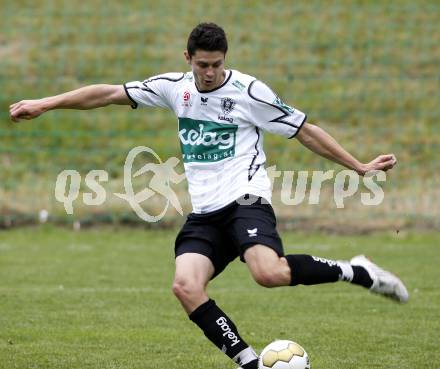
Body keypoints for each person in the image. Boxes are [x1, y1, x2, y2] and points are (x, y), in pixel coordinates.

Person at [9, 22, 408, 369]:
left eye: (217, 64)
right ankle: (249, 362)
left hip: (246, 201)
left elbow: (305, 129)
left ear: (225, 60)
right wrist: (46, 104)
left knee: (268, 273)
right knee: (185, 286)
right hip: (205, 214)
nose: (211, 72)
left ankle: (357, 271)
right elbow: (109, 93)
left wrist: (358, 166)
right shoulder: (174, 88)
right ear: (188, 58)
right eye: (203, 65)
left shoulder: (249, 92)